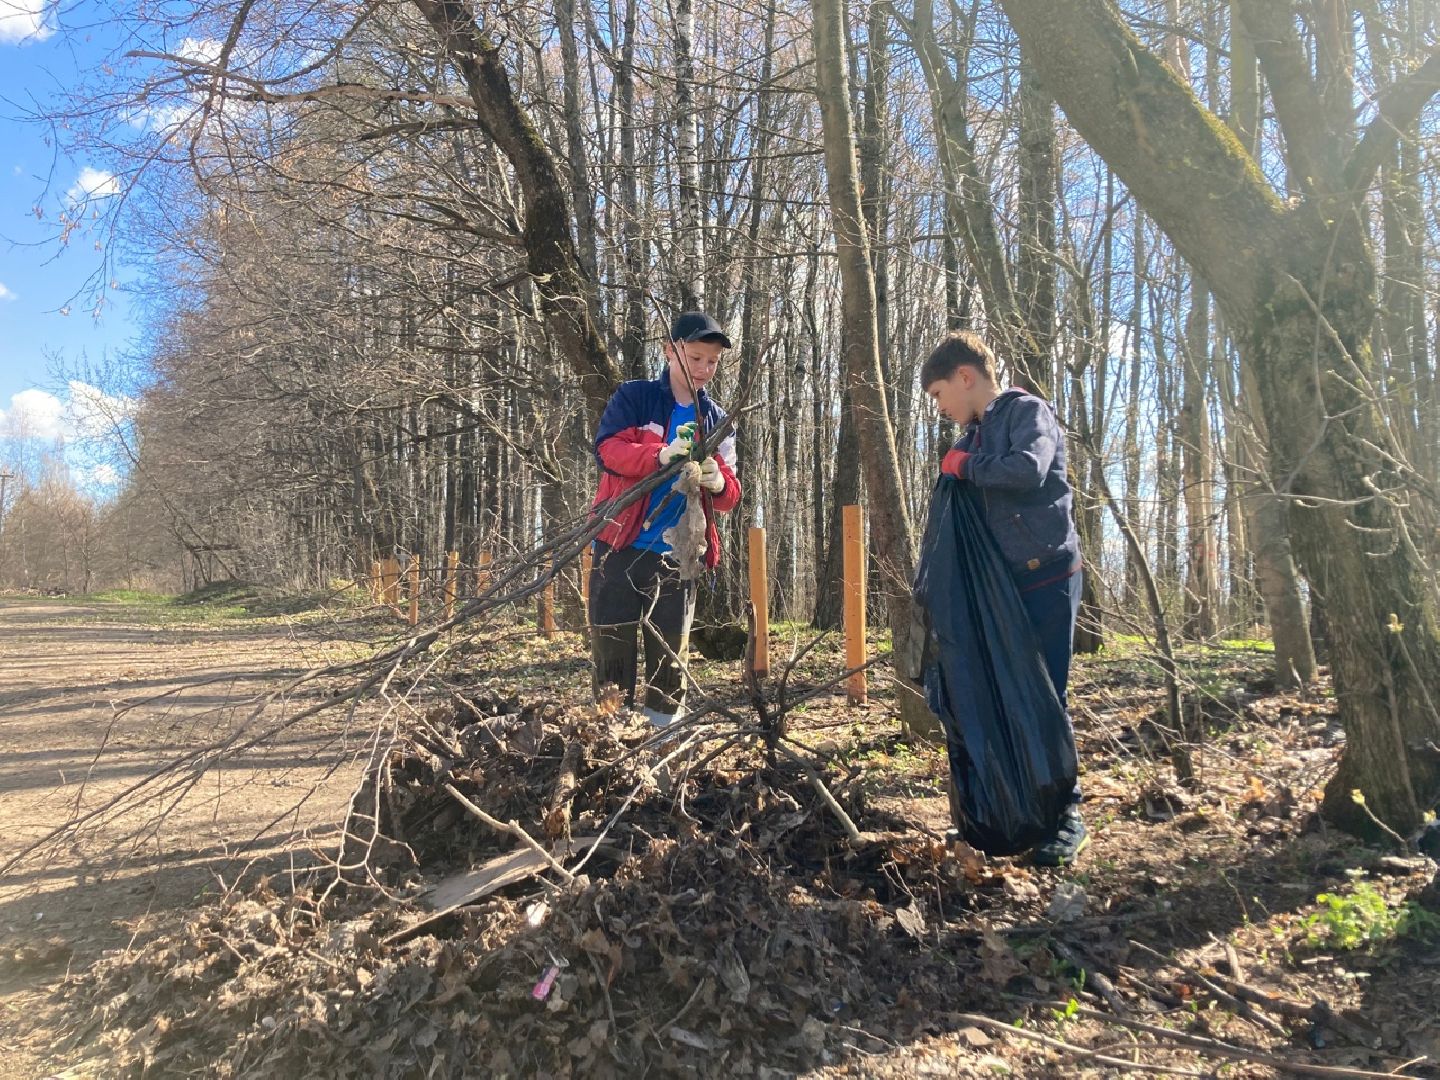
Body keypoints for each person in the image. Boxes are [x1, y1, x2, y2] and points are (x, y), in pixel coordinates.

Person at [920, 330, 1087, 866]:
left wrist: (963, 467)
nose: (942, 409)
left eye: (940, 394)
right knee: (1012, 694)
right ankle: (1022, 813)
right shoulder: (973, 433)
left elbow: (1027, 469)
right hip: (1006, 587)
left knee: (1045, 695)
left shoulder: (1025, 412)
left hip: (1047, 576)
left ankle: (1067, 817)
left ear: (965, 377)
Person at [587, 311, 741, 727]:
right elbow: (608, 451)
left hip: (680, 557)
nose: (704, 369)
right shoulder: (634, 398)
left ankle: (661, 743)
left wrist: (717, 483)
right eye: (695, 358)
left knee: (670, 661)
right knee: (612, 652)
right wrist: (658, 455)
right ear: (669, 351)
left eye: (712, 362)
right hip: (618, 547)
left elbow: (730, 496)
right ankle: (610, 737)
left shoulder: (717, 419)